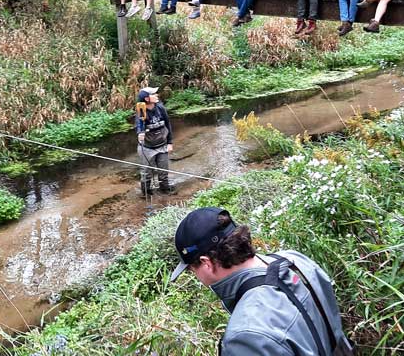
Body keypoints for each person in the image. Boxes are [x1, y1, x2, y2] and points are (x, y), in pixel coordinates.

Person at [170, 207, 353, 356]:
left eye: (192, 270)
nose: (196, 276)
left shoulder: (245, 335)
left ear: (206, 263)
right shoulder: (294, 260)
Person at [135, 86, 175, 196]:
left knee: (163, 171)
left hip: (162, 145)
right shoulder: (141, 109)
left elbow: (168, 124)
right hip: (147, 147)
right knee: (146, 173)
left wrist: (170, 142)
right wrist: (140, 133)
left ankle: (165, 191)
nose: (157, 95)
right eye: (153, 94)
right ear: (147, 99)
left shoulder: (160, 107)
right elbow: (139, 124)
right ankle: (146, 194)